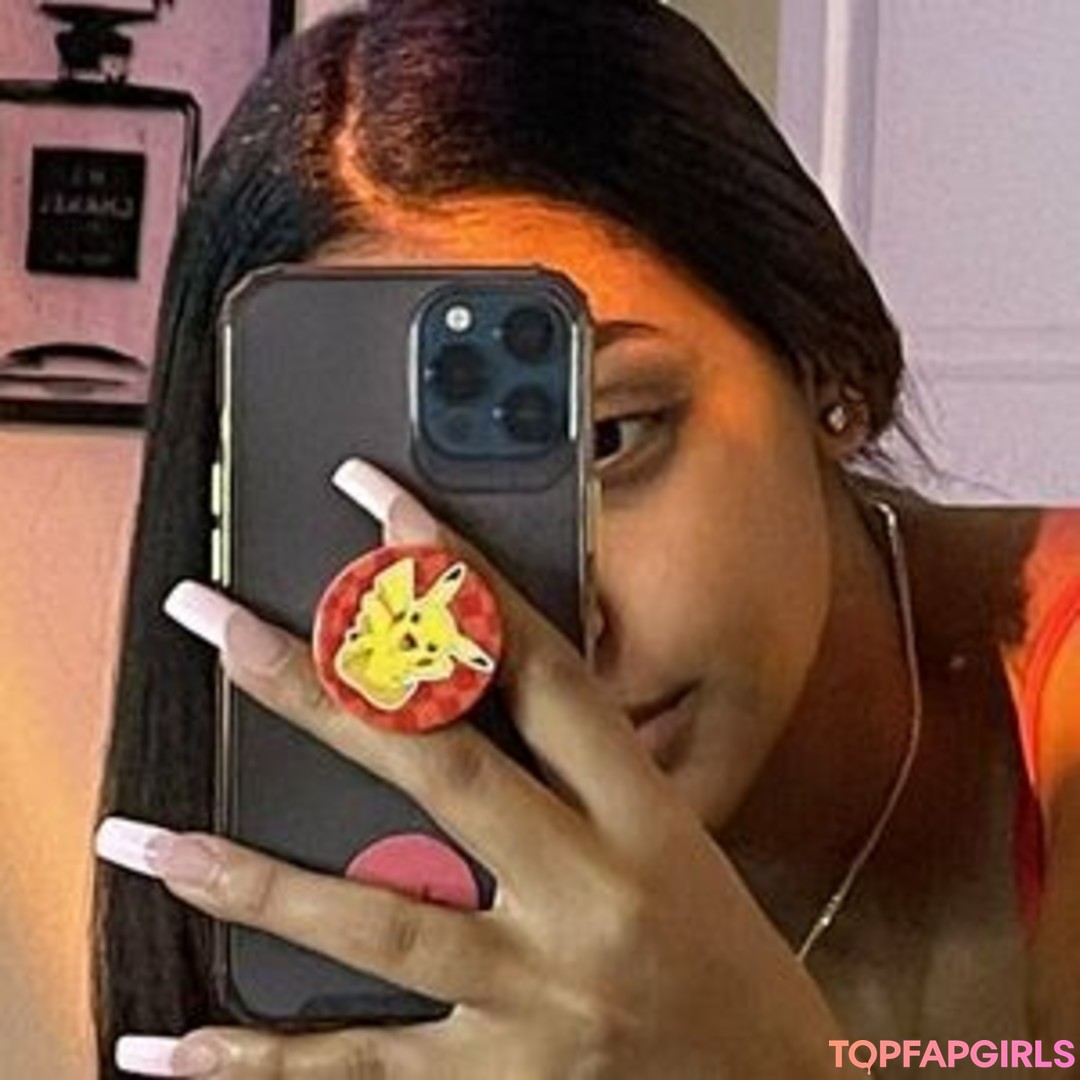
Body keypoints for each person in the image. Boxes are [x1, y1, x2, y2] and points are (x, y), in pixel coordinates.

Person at [91, 1, 1080, 1076]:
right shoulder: (381, 904)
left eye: (609, 439)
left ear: (823, 355)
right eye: (397, 533)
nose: (531, 635)